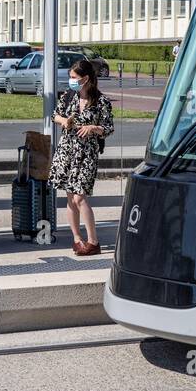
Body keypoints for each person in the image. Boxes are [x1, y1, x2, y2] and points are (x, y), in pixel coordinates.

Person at [48, 59, 114, 256]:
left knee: (79, 197)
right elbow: (55, 115)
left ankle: (93, 241)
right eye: (70, 77)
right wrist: (65, 121)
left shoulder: (101, 101)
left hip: (86, 155)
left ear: (85, 79)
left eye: (74, 77)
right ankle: (77, 239)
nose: (71, 81)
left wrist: (93, 127)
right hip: (67, 151)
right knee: (70, 197)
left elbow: (108, 128)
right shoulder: (69, 97)